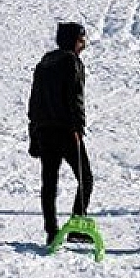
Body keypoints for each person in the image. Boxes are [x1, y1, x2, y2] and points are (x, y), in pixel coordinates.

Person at [28, 21, 92, 247]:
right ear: (73, 41)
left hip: (45, 129)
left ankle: (51, 231)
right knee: (85, 178)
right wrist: (77, 128)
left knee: (49, 182)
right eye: (81, 40)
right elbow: (75, 99)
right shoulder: (71, 62)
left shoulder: (44, 63)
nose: (83, 45)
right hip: (66, 130)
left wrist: (33, 133)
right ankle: (76, 227)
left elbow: (34, 101)